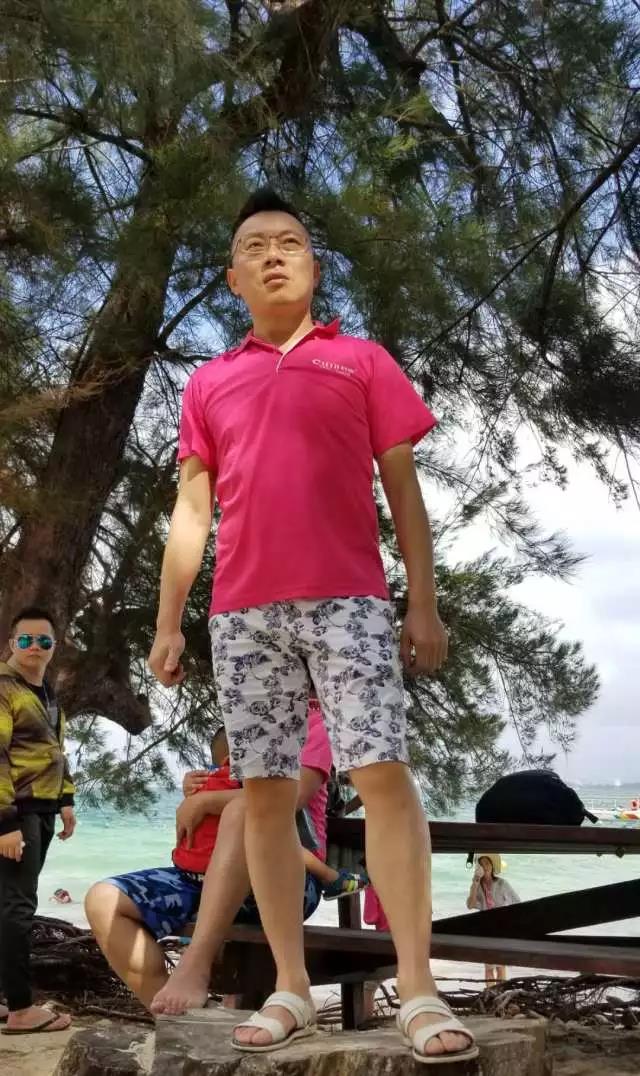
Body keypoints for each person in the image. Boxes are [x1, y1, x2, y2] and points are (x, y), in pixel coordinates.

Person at [147, 187, 477, 1063]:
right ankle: (290, 986)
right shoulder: (209, 382)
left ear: (314, 266)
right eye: (254, 245)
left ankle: (418, 987)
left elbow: (403, 488)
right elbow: (192, 510)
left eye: (289, 242)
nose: (273, 254)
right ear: (233, 278)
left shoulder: (361, 360)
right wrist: (169, 622)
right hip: (243, 613)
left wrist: (422, 598)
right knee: (263, 793)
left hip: (350, 601)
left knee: (382, 774)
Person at [86, 701, 357, 1013]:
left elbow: (289, 797)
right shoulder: (246, 713)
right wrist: (197, 787)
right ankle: (183, 1021)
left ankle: (195, 964)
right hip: (201, 878)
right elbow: (223, 776)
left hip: (281, 880)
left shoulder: (314, 725)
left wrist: (206, 802)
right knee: (104, 900)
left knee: (244, 810)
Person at [0, 607, 76, 1035]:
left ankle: (4, 998)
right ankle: (21, 1009)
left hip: (41, 809)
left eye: (43, 641)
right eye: (25, 640)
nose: (34, 648)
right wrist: (5, 823)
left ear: (53, 646)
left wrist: (66, 799)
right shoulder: (3, 687)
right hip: (17, 811)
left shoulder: (45, 690)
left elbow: (55, 750)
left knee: (6, 904)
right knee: (18, 907)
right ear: (12, 643)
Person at [466, 854, 520, 985]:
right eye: (481, 864)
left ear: (492, 865)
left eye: (487, 863)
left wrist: (511, 922)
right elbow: (470, 905)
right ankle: (490, 994)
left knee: (500, 966)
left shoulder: (502, 883)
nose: (485, 867)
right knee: (489, 967)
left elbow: (517, 902)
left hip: (501, 928)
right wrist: (475, 882)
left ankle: (500, 993)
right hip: (486, 929)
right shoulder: (477, 886)